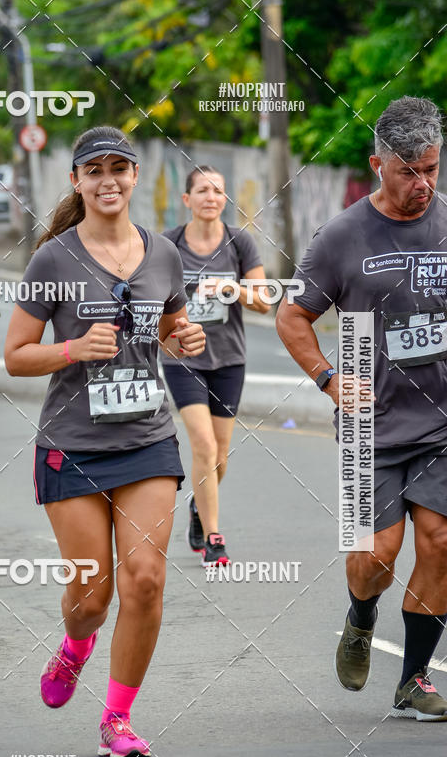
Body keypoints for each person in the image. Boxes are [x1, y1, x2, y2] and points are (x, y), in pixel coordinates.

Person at [4, 126, 205, 757]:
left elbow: (168, 324)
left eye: (120, 168)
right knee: (92, 598)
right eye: (96, 170)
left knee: (145, 580)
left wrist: (183, 338)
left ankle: (117, 719)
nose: (109, 179)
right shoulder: (53, 259)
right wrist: (70, 348)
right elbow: (14, 356)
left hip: (148, 439)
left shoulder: (164, 254)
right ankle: (75, 646)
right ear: (77, 181)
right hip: (74, 444)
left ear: (136, 176)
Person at [276, 96, 447, 721]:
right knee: (378, 554)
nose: (423, 183)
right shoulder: (341, 237)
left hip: (441, 425)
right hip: (368, 427)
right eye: (409, 171)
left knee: (440, 542)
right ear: (379, 164)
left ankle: (414, 679)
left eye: (432, 168)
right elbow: (292, 315)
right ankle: (360, 617)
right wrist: (328, 377)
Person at [162, 166, 268, 567]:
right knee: (203, 446)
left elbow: (264, 300)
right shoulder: (169, 244)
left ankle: (197, 506)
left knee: (220, 456)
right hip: (182, 357)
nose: (211, 197)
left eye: (218, 191)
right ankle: (214, 539)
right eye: (202, 190)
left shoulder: (239, 243)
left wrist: (233, 288)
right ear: (186, 199)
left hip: (228, 360)